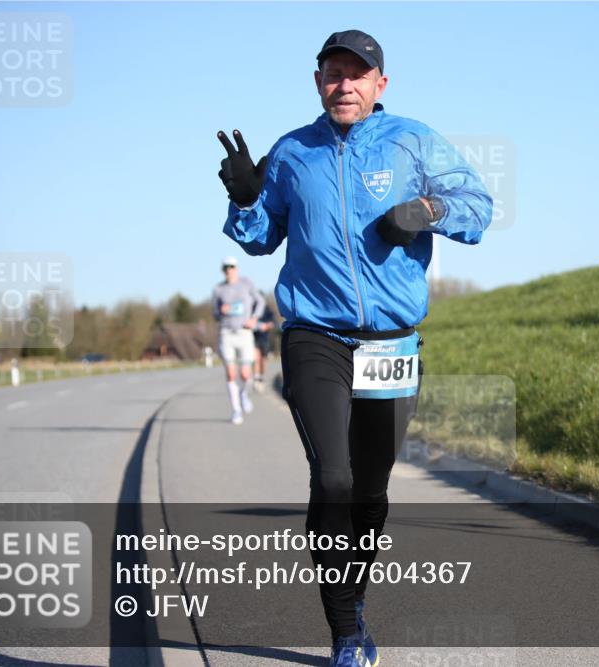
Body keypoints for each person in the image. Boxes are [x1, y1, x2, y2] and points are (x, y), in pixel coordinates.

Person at [216, 29, 491, 667]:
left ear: (380, 85)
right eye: (333, 74)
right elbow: (260, 239)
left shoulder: (414, 140)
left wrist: (425, 208)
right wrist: (244, 199)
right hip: (317, 335)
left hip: (393, 342)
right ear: (319, 83)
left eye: (357, 74)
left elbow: (478, 207)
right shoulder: (293, 151)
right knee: (333, 478)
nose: (345, 84)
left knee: (369, 489)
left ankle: (354, 600)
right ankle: (344, 633)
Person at [212, 256, 266, 425]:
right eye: (226, 267)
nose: (229, 270)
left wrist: (254, 318)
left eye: (232, 267)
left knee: (245, 374)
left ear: (237, 268)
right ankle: (236, 410)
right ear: (223, 270)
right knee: (230, 372)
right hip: (227, 332)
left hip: (244, 332)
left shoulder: (246, 283)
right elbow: (214, 314)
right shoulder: (218, 289)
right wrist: (221, 311)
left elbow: (260, 301)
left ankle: (244, 394)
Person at [252, 295, 277, 393]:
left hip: (265, 338)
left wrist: (267, 326)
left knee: (263, 360)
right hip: (254, 337)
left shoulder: (267, 310)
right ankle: (256, 378)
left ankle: (261, 378)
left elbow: (273, 323)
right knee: (256, 358)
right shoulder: (251, 309)